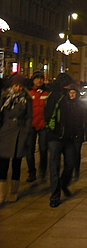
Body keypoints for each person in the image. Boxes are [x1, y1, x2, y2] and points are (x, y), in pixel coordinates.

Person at [45, 73, 87, 208]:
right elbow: (48, 115)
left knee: (70, 164)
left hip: (69, 137)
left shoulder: (69, 97)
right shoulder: (55, 97)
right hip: (56, 138)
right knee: (55, 167)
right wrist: (54, 130)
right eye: (69, 84)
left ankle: (63, 184)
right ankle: (55, 196)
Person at [0, 74, 33, 204]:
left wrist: (26, 130)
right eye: (15, 85)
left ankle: (13, 192)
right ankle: (1, 193)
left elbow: (29, 116)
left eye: (20, 86)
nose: (18, 88)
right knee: (3, 163)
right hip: (5, 132)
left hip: (20, 132)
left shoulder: (27, 99)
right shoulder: (4, 97)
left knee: (16, 163)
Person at [26, 71, 50, 182]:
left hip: (43, 125)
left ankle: (43, 170)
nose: (39, 81)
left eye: (41, 78)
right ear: (33, 80)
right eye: (37, 78)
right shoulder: (29, 93)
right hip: (31, 125)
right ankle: (31, 172)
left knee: (43, 149)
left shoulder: (47, 93)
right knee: (29, 150)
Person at [67, 84, 87, 180]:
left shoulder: (81, 105)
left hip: (78, 131)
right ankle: (69, 169)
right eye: (70, 93)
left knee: (76, 152)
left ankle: (76, 169)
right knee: (69, 152)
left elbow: (86, 119)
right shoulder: (65, 104)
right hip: (68, 132)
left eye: (74, 93)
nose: (72, 95)